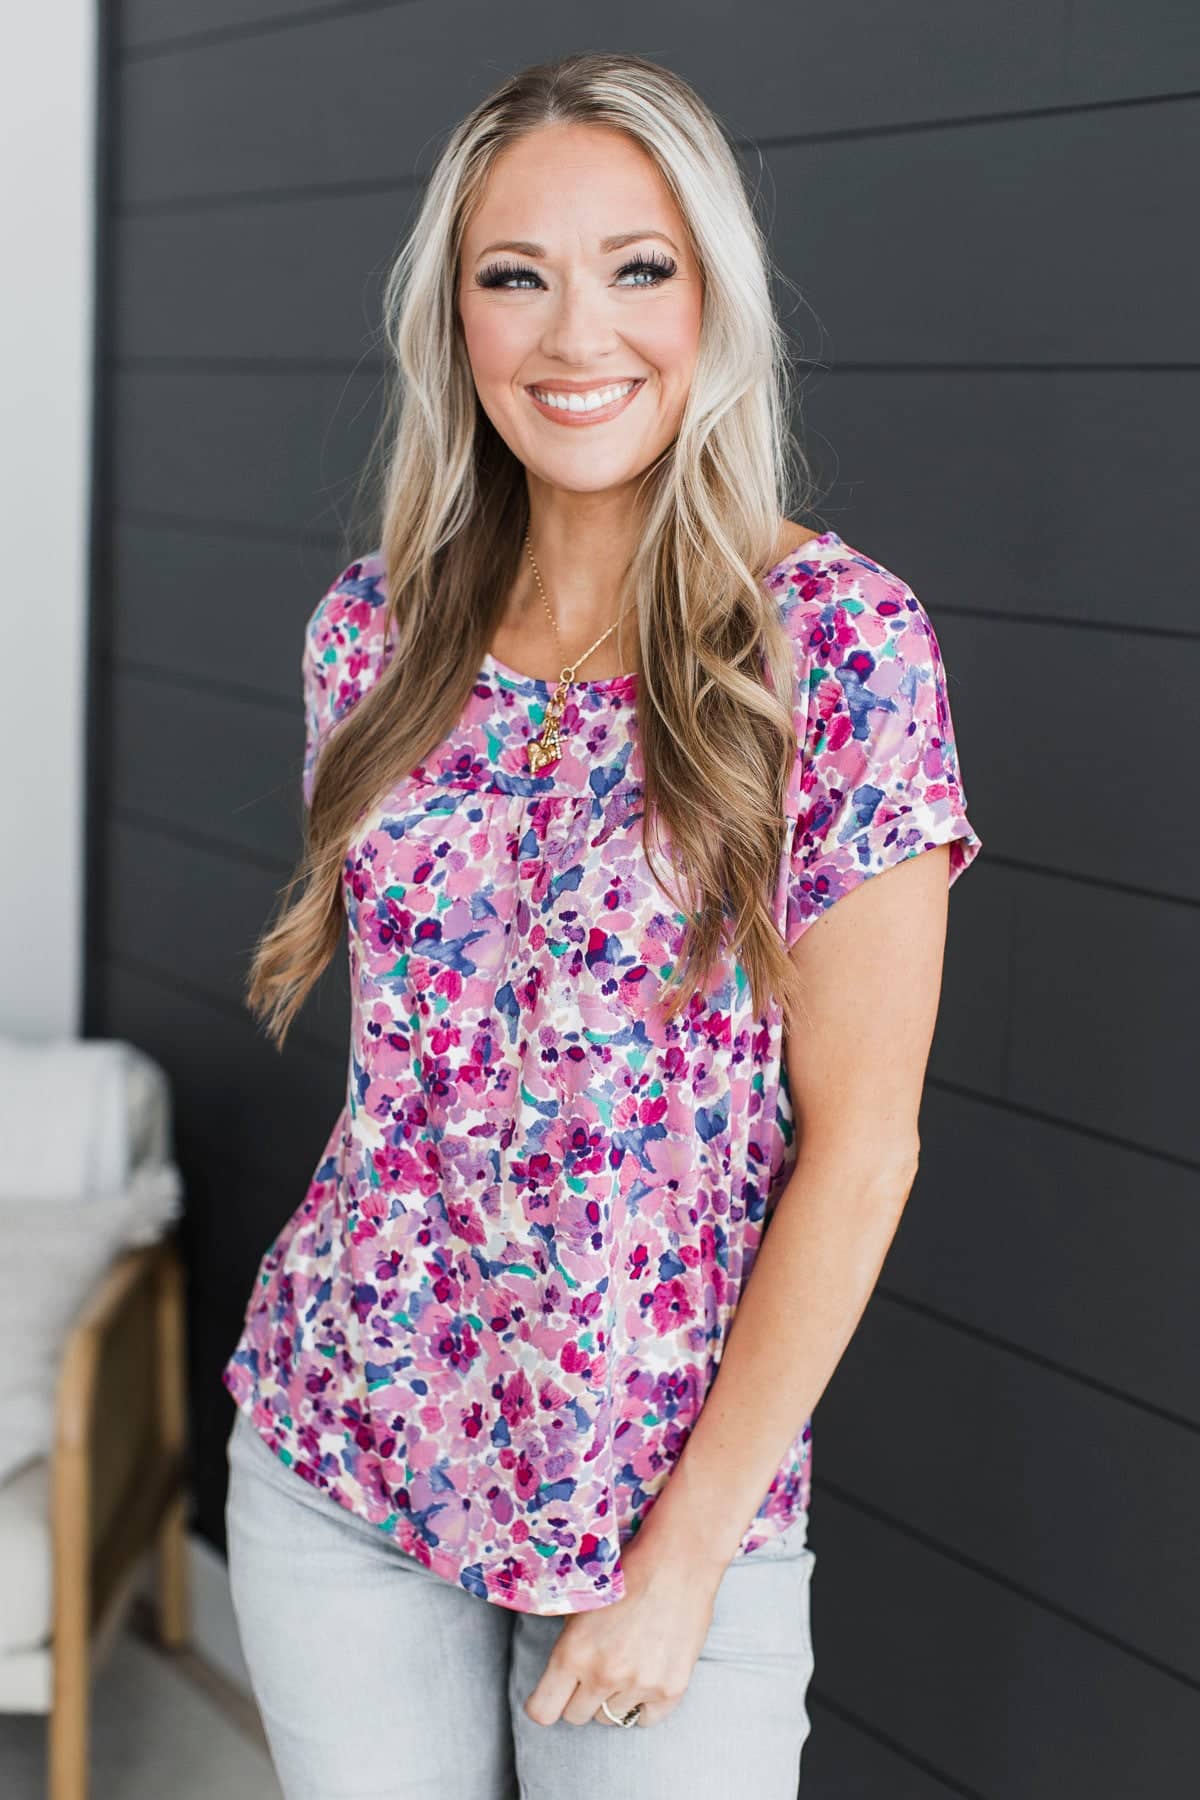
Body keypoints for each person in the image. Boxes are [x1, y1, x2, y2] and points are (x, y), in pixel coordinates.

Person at [221, 48, 983, 1800]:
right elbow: (417, 1081)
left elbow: (865, 1149)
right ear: (456, 319)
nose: (579, 336)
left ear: (711, 297)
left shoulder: (839, 648)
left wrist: (684, 1561)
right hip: (343, 1456)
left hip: (662, 1515)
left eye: (638, 268)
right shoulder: (372, 635)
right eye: (517, 277)